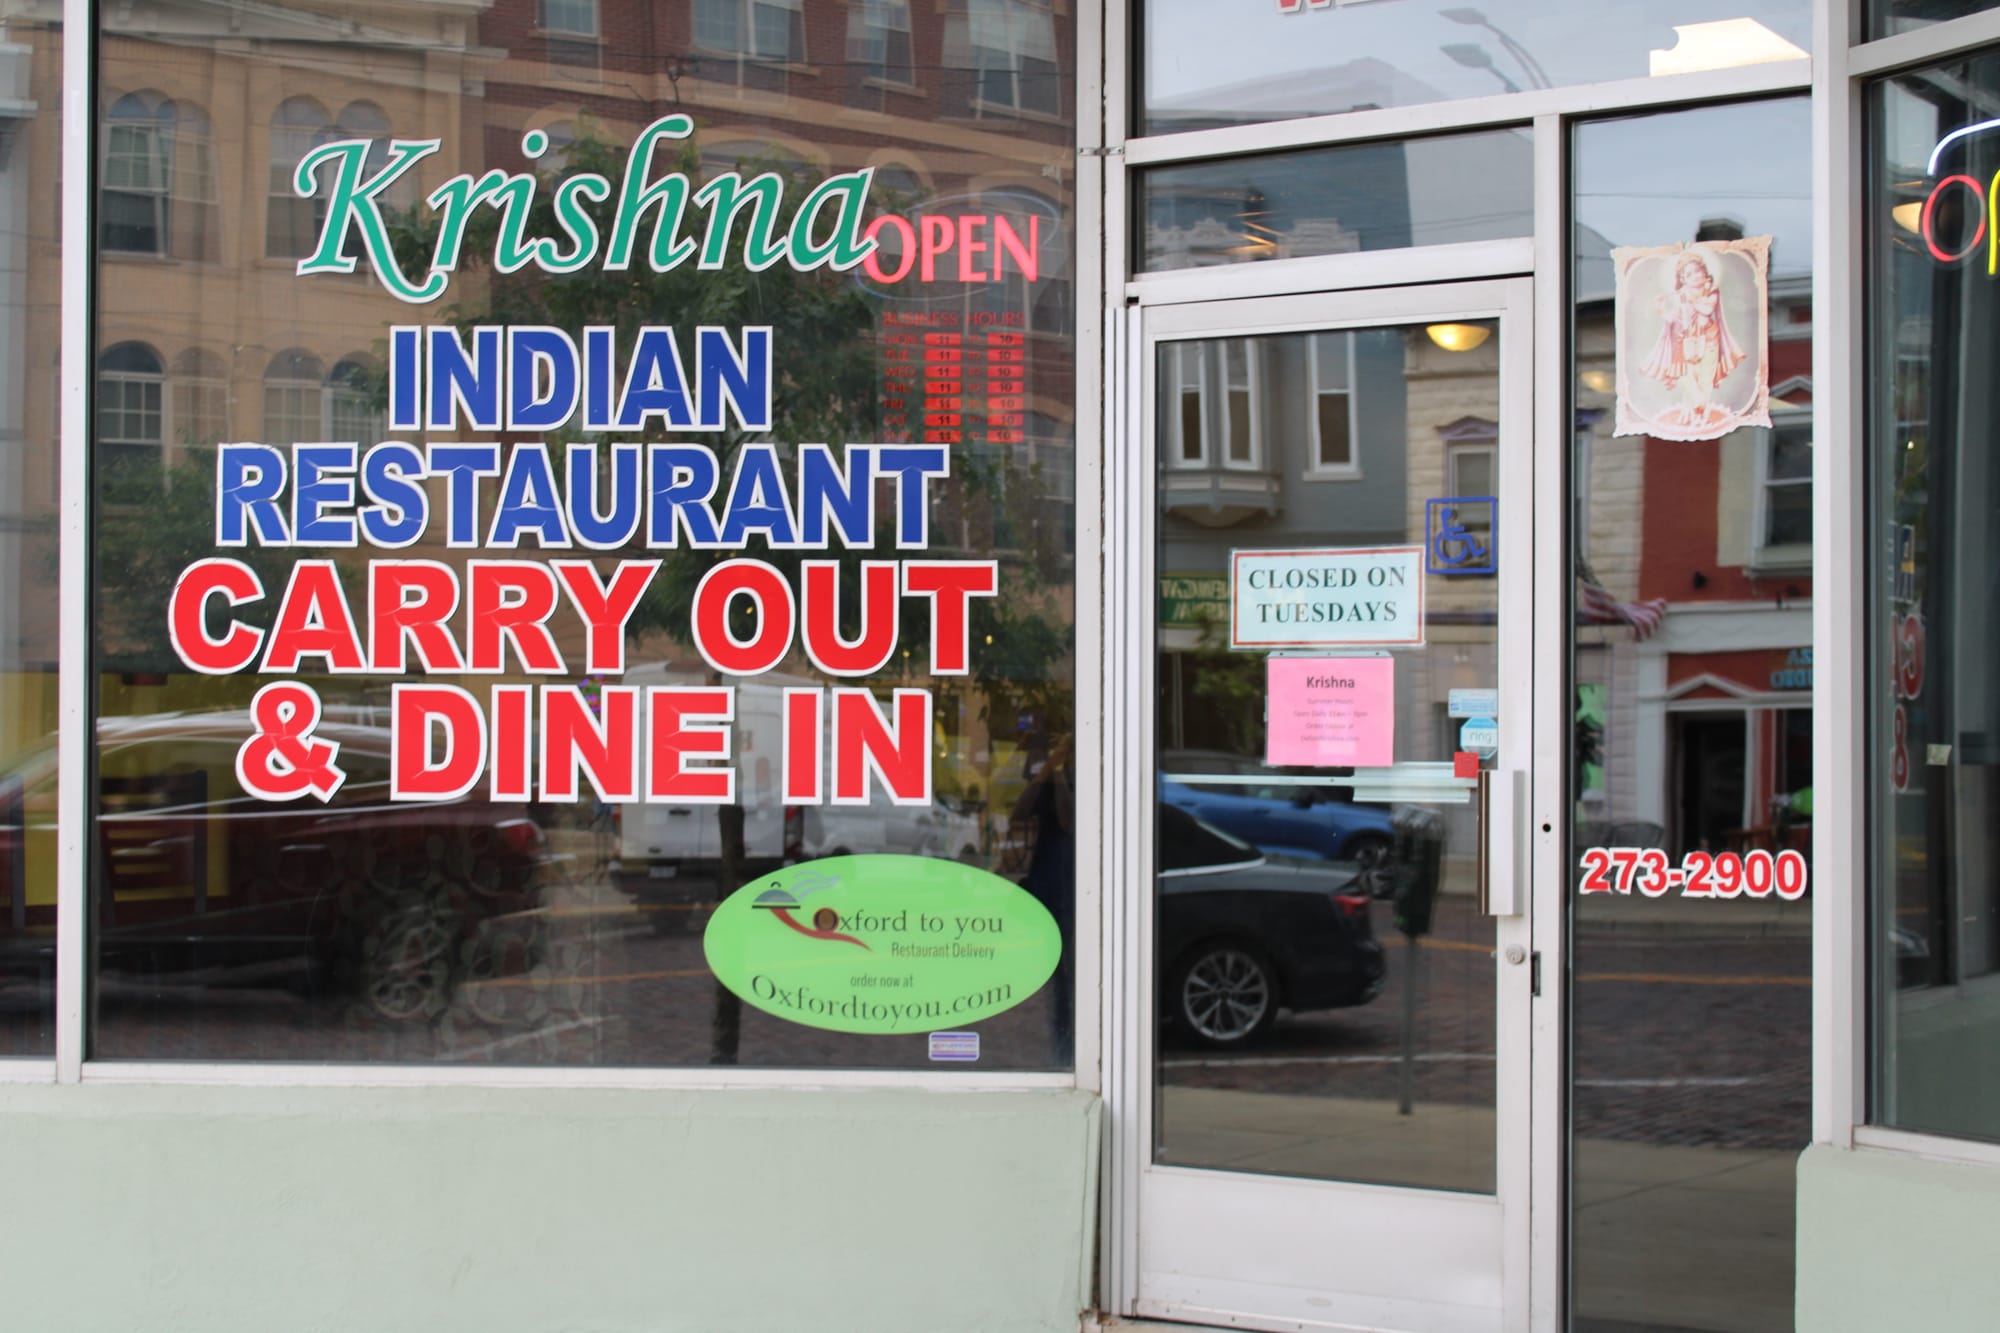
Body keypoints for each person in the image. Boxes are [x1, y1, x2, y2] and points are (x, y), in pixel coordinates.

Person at [1640, 250, 1747, 431]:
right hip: (1686, 342)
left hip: (1709, 339)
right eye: (1689, 274)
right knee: (1686, 377)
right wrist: (1661, 309)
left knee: (1705, 378)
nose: (1696, 276)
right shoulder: (1681, 297)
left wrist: (1688, 299)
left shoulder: (1711, 291)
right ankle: (1693, 408)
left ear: (1705, 272)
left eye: (1698, 271)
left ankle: (1701, 416)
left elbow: (1707, 310)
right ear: (1683, 279)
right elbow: (1672, 318)